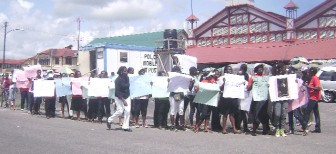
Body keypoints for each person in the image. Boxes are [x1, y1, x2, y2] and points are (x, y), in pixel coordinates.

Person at [247, 64, 270, 136]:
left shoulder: (266, 77)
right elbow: (248, 88)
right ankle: (254, 131)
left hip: (264, 99)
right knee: (255, 114)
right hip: (256, 99)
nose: (261, 70)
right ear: (256, 70)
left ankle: (265, 130)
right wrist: (252, 84)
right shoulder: (253, 77)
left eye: (262, 69)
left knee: (264, 115)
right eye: (259, 69)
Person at [107, 66, 132, 132]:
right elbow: (117, 91)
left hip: (127, 95)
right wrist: (123, 100)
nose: (126, 72)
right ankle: (109, 120)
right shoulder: (117, 80)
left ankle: (125, 126)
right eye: (125, 71)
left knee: (127, 111)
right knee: (120, 111)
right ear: (121, 72)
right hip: (119, 96)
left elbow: (127, 88)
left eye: (126, 71)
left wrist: (127, 98)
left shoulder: (127, 78)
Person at [219, 66, 240, 134]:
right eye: (228, 69)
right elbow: (220, 89)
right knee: (225, 114)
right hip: (225, 98)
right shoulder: (222, 78)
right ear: (225, 70)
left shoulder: (234, 78)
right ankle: (224, 128)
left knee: (232, 114)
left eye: (231, 69)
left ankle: (234, 128)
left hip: (233, 97)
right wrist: (224, 82)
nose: (230, 70)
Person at [302, 67, 322, 136]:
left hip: (313, 98)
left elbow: (318, 88)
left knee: (307, 112)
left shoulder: (315, 78)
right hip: (314, 98)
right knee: (316, 113)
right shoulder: (313, 78)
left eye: (310, 72)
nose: (309, 73)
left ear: (312, 72)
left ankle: (304, 127)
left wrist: (308, 86)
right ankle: (318, 128)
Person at [271, 63, 288, 137]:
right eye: (283, 68)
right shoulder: (275, 77)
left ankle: (282, 129)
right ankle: (277, 128)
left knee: (283, 114)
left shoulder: (287, 77)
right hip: (277, 99)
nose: (284, 69)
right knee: (277, 114)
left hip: (285, 98)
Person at [236, 64, 250, 133]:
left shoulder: (246, 75)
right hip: (240, 94)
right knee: (241, 112)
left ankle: (242, 126)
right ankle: (241, 126)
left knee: (243, 112)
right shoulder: (241, 74)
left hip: (244, 94)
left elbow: (247, 84)